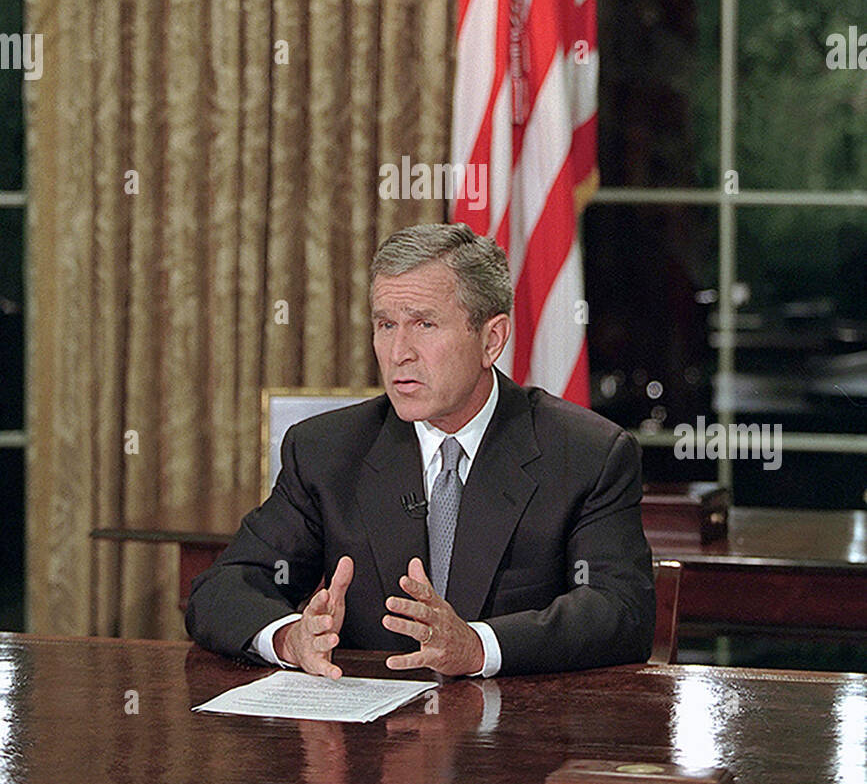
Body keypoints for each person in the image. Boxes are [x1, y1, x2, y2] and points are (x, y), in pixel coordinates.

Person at [185, 223, 655, 677]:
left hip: (520, 735)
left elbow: (619, 610)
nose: (399, 353)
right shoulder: (327, 452)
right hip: (372, 741)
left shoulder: (586, 455)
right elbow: (224, 586)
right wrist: (291, 637)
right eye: (386, 325)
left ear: (491, 339)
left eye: (424, 324)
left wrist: (478, 647)